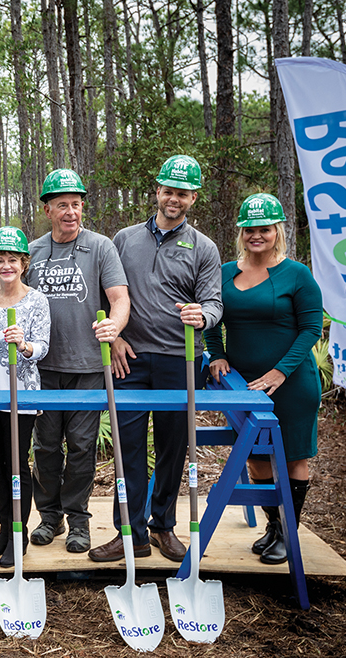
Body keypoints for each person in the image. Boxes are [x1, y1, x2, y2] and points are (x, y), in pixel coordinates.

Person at [90, 155, 223, 564]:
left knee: (171, 446)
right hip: (129, 360)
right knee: (127, 448)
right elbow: (106, 293)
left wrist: (203, 316)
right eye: (168, 191)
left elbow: (215, 303)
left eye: (182, 193)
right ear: (158, 191)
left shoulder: (203, 247)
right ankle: (129, 533)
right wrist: (114, 341)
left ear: (192, 198)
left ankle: (163, 526)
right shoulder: (124, 238)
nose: (173, 199)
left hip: (179, 361)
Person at [204, 194, 323, 565]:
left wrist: (280, 371)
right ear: (241, 232)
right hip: (243, 387)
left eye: (265, 230)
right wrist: (218, 354)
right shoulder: (224, 273)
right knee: (256, 457)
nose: (257, 236)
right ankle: (273, 526)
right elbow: (212, 318)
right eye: (251, 230)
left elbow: (311, 329)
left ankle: (289, 531)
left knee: (291, 457)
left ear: (277, 231)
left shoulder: (297, 275)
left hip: (291, 384)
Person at [26, 169, 129, 554]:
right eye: (62, 205)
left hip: (88, 366)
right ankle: (49, 517)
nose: (71, 212)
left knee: (83, 446)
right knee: (46, 447)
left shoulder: (100, 247)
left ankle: (79, 523)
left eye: (76, 204)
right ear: (48, 209)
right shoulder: (32, 252)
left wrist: (114, 330)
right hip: (42, 367)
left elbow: (119, 298)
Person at [0, 227, 50, 568]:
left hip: (22, 395)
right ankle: (4, 529)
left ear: (23, 263)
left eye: (12, 260)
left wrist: (25, 344)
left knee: (16, 465)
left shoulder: (36, 300)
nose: (6, 266)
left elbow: (43, 347)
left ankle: (18, 535)